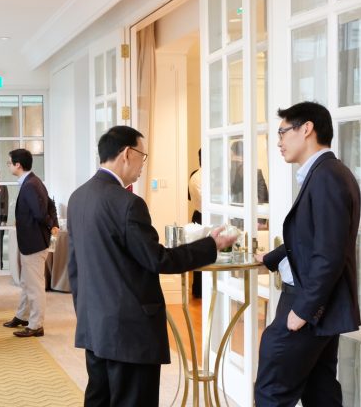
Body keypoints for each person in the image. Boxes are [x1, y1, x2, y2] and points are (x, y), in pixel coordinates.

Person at [67, 126, 237, 407]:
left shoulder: (78, 197)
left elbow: (74, 267)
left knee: (99, 399)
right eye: (142, 156)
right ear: (127, 154)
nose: (143, 164)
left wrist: (87, 313)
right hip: (129, 331)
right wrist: (211, 245)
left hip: (94, 323)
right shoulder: (128, 203)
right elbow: (158, 259)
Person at [254, 102, 361, 406]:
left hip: (308, 303)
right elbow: (314, 238)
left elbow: (329, 253)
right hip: (319, 304)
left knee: (271, 392)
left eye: (282, 132)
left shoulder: (327, 176)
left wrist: (303, 310)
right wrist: (272, 257)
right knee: (320, 392)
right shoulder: (327, 172)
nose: (278, 142)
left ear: (307, 129)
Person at [2, 148, 58, 338]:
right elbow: (50, 205)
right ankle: (23, 316)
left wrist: (51, 226)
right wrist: (53, 224)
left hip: (35, 242)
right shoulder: (32, 181)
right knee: (27, 282)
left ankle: (36, 325)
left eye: (9, 163)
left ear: (18, 165)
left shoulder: (31, 185)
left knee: (34, 286)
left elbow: (41, 213)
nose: (8, 166)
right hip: (31, 241)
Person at [189, 149, 203, 298]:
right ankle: (200, 289)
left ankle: (198, 289)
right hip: (202, 217)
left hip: (198, 216)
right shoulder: (200, 177)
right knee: (201, 253)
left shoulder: (195, 175)